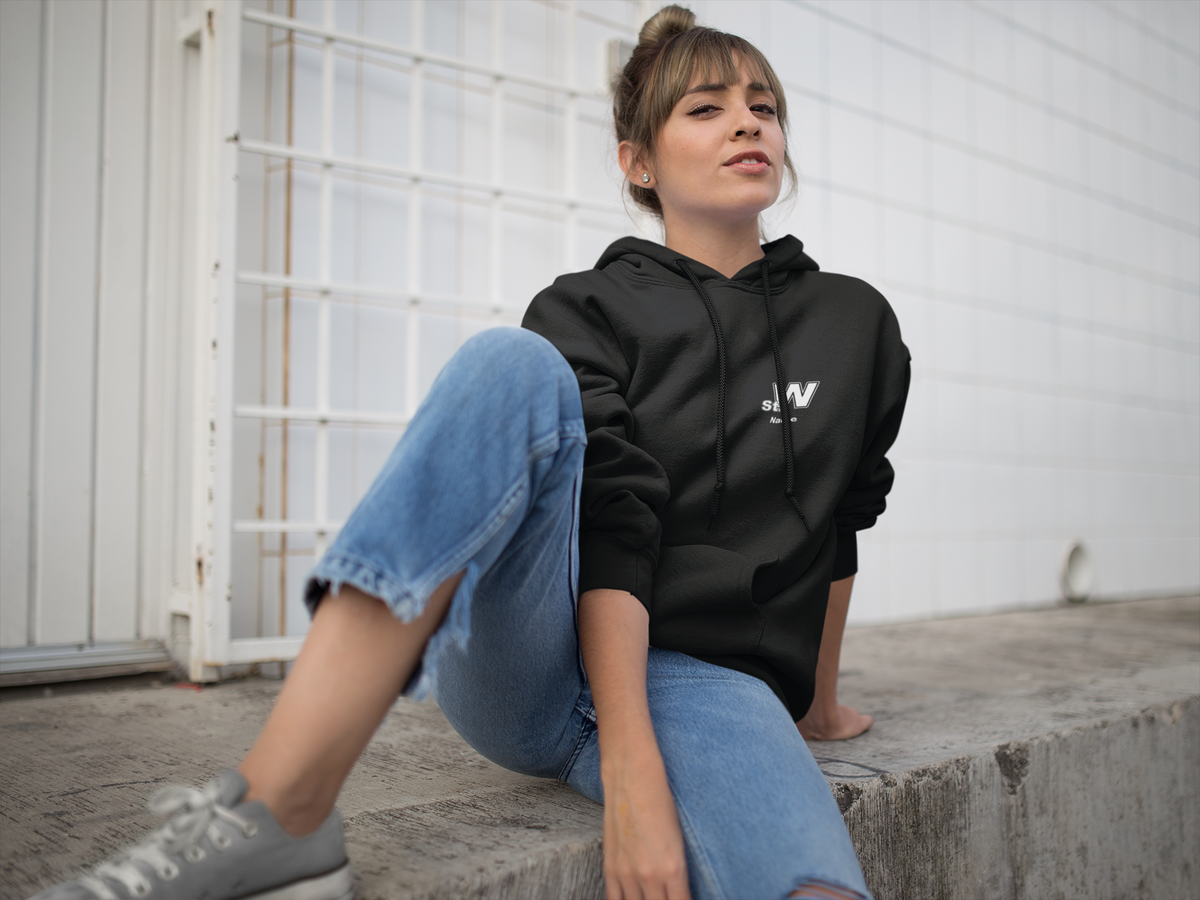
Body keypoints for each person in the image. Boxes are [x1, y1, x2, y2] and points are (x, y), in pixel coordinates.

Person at [32, 6, 908, 900]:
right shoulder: (589, 308)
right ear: (638, 162)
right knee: (508, 365)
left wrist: (817, 704)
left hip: (709, 685)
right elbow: (615, 523)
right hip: (536, 665)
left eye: (764, 106)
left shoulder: (855, 323)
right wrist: (631, 767)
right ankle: (280, 809)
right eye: (707, 108)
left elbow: (839, 518)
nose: (747, 123)